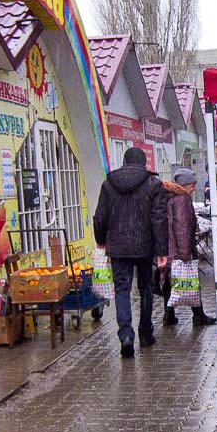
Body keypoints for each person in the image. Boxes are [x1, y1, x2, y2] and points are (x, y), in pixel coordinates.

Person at [94, 147, 168, 357]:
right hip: (144, 245)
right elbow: (159, 219)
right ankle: (145, 333)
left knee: (122, 290)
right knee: (145, 288)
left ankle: (126, 335)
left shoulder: (108, 184)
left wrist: (101, 241)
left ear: (124, 162)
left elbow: (100, 217)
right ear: (144, 164)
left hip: (117, 247)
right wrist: (161, 250)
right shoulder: (154, 184)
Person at [161, 168, 216, 327]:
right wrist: (185, 253)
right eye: (192, 185)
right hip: (179, 248)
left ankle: (168, 315)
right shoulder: (182, 199)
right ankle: (198, 317)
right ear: (186, 184)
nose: (193, 189)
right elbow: (182, 227)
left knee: (169, 282)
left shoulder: (167, 196)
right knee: (191, 280)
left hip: (168, 247)